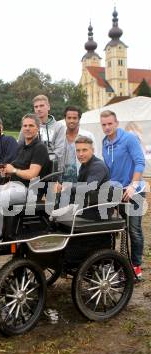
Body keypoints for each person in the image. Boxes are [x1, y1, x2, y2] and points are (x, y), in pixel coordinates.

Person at [0, 113, 51, 243]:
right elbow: (9, 169)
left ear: (37, 128)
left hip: (28, 190)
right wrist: (3, 172)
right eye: (25, 126)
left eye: (31, 125)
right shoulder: (21, 146)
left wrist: (13, 170)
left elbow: (32, 174)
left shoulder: (40, 148)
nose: (27, 128)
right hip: (12, 186)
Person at [101, 110, 145, 279]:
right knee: (115, 228)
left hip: (135, 191)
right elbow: (108, 169)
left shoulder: (129, 138)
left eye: (110, 123)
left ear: (116, 123)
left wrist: (133, 185)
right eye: (104, 124)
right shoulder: (105, 143)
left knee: (134, 230)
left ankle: (136, 266)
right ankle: (114, 262)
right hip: (117, 192)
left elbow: (139, 162)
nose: (107, 127)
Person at [53, 136, 110, 220]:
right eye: (78, 150)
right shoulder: (85, 165)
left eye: (84, 150)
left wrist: (65, 188)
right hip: (87, 206)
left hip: (98, 211)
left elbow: (88, 187)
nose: (81, 154)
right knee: (54, 208)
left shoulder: (98, 166)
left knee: (54, 214)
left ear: (93, 150)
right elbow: (78, 187)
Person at [17, 95, 65, 165]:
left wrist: (40, 160)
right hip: (29, 165)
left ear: (48, 107)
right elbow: (19, 146)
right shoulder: (27, 125)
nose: (38, 109)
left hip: (50, 168)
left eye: (41, 106)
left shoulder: (59, 127)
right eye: (36, 107)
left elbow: (59, 151)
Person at [60, 106, 97, 184]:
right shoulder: (59, 137)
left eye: (74, 118)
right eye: (69, 118)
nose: (71, 121)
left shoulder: (88, 136)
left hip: (82, 181)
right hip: (61, 182)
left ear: (79, 119)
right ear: (65, 119)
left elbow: (94, 159)